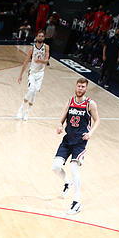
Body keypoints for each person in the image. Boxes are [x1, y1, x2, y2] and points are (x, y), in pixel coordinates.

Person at [51, 78, 100, 215]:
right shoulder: (70, 101)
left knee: (74, 169)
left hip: (80, 141)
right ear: (75, 87)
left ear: (86, 88)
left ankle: (77, 202)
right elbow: (63, 116)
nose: (80, 89)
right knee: (55, 167)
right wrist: (60, 125)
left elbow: (97, 120)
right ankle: (67, 183)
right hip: (67, 140)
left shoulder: (90, 104)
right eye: (78, 86)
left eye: (83, 87)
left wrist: (90, 133)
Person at [16, 30, 49, 120]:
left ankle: (27, 112)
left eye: (42, 36)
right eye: (39, 36)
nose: (41, 37)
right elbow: (26, 62)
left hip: (41, 73)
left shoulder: (46, 47)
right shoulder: (32, 49)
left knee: (34, 92)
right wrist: (20, 75)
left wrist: (40, 61)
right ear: (36, 37)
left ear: (44, 37)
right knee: (31, 89)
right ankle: (21, 108)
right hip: (32, 73)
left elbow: (46, 61)